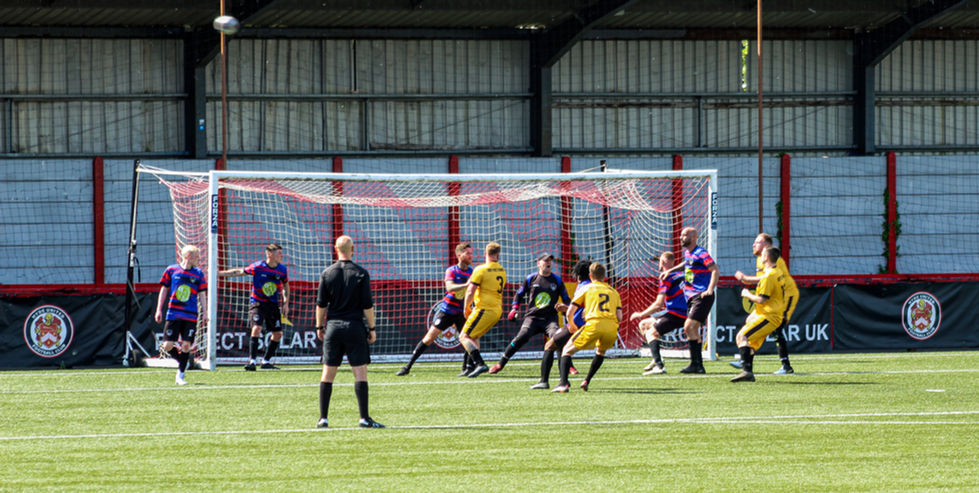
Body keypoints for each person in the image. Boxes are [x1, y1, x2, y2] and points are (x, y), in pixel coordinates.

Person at [314, 235, 384, 429]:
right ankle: (364, 418)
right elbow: (367, 305)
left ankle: (323, 418)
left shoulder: (327, 273)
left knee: (327, 373)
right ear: (353, 249)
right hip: (354, 327)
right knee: (360, 373)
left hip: (333, 327)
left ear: (336, 249)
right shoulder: (361, 273)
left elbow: (320, 305)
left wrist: (319, 327)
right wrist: (372, 328)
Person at [396, 242, 473, 376]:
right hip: (447, 311)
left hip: (462, 312)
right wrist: (466, 285)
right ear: (459, 255)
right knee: (429, 338)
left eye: (471, 253)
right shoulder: (451, 271)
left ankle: (466, 368)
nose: (471, 256)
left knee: (467, 338)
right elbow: (449, 288)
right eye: (468, 253)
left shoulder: (473, 272)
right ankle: (407, 367)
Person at [488, 253, 571, 374]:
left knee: (557, 338)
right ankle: (500, 363)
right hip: (533, 317)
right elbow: (519, 294)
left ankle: (567, 367)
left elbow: (566, 298)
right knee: (521, 337)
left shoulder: (557, 280)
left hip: (550, 319)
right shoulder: (531, 278)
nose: (548, 263)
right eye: (545, 261)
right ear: (538, 263)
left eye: (550, 261)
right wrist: (514, 308)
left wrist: (567, 307)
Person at [732, 233, 798, 374]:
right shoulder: (761, 260)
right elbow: (765, 279)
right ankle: (746, 353)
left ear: (767, 247)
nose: (754, 244)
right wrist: (747, 280)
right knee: (750, 320)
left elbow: (770, 280)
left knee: (776, 330)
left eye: (758, 242)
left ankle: (785, 366)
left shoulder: (774, 262)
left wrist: (747, 288)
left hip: (785, 297)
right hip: (771, 301)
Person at [552, 262, 622, 393]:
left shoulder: (586, 288)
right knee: (600, 352)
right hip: (611, 328)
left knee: (566, 350)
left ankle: (563, 384)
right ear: (604, 276)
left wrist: (572, 326)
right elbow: (619, 317)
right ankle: (586, 380)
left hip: (594, 324)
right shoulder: (614, 291)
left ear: (590, 276)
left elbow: (569, 312)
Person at [219, 243, 290, 371]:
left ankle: (266, 361)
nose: (281, 256)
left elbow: (285, 286)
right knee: (256, 328)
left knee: (278, 333)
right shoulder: (258, 266)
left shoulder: (282, 269)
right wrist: (219, 273)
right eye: (279, 253)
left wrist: (286, 302)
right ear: (270, 254)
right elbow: (239, 272)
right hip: (257, 303)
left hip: (272, 304)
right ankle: (252, 361)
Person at [659, 227, 719, 374]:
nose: (681, 237)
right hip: (692, 297)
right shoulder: (689, 253)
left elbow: (715, 270)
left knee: (689, 327)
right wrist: (669, 271)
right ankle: (697, 365)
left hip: (702, 295)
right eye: (680, 235)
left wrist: (710, 289)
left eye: (684, 235)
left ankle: (696, 364)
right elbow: (686, 263)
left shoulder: (701, 253)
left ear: (693, 237)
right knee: (692, 329)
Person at [529, 260, 589, 389]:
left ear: (578, 275)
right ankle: (567, 381)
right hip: (594, 325)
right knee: (563, 348)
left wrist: (565, 309)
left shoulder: (582, 287)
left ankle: (548, 381)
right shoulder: (595, 286)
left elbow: (578, 310)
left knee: (550, 345)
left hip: (577, 325)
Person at [155, 245, 208, 386]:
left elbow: (202, 294)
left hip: (191, 315)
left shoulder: (198, 274)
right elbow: (164, 290)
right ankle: (183, 361)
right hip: (173, 314)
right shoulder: (171, 270)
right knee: (167, 345)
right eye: (197, 256)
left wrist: (205, 312)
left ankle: (181, 374)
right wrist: (159, 309)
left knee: (186, 345)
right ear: (189, 256)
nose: (199, 259)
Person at [629, 251, 686, 375]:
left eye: (659, 261)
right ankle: (656, 358)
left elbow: (658, 304)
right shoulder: (681, 274)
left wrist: (640, 314)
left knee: (651, 333)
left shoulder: (666, 277)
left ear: (664, 262)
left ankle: (660, 366)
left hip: (677, 314)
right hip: (684, 312)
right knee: (644, 325)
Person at [458, 241, 507, 378]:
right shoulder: (502, 270)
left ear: (485, 254)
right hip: (497, 310)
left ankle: (480, 363)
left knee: (463, 336)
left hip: (484, 309)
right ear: (498, 255)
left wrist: (466, 307)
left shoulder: (480, 269)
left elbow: (470, 291)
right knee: (474, 336)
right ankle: (469, 367)